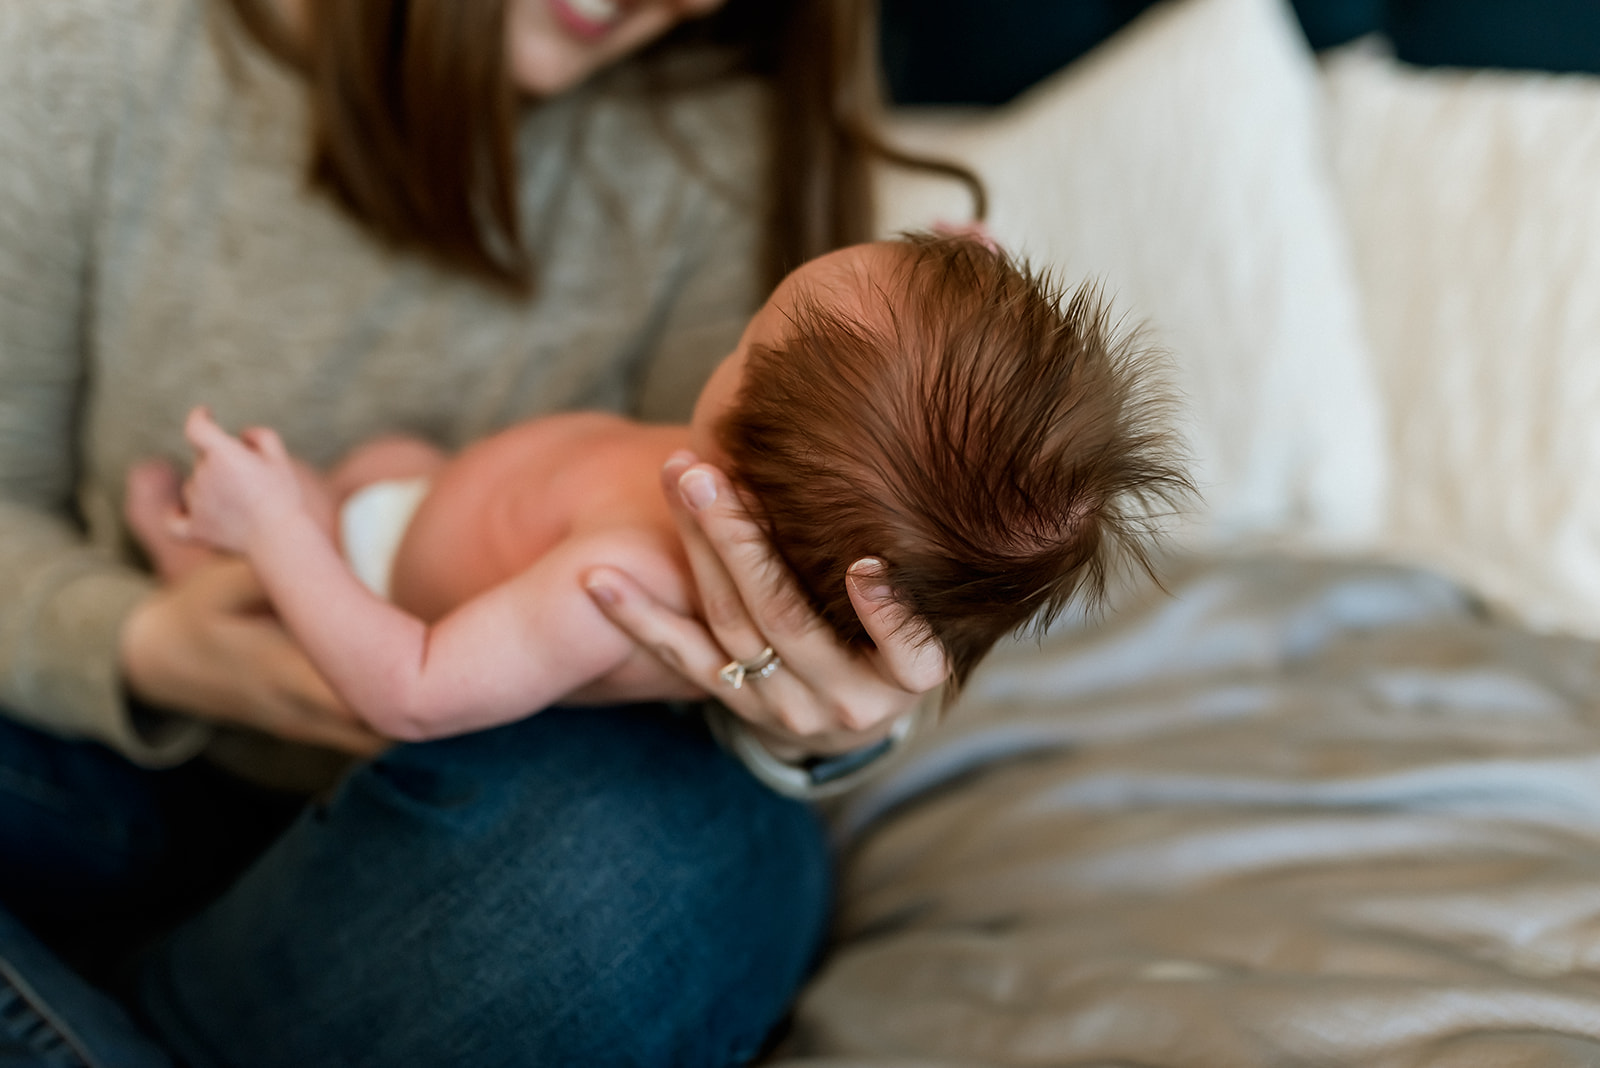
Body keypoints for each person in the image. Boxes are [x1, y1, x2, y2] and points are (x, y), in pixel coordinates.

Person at [0, 0, 981, 1063]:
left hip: (473, 826)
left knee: (624, 892)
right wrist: (145, 644)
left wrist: (825, 719)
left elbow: (808, 536)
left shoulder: (720, 143)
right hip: (115, 768)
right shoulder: (89, 49)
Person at [129, 233, 1191, 744]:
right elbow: (918, 391)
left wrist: (280, 539)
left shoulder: (621, 576)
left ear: (731, 435)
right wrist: (963, 300)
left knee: (285, 544)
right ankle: (289, 525)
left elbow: (412, 686)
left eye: (753, 333)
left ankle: (212, 567)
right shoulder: (770, 467)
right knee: (383, 465)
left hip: (377, 586)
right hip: (425, 498)